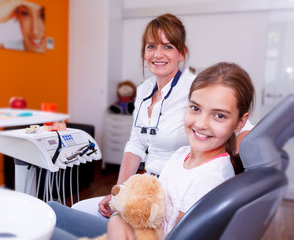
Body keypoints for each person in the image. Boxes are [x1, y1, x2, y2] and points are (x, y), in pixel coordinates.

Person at [48, 62, 255, 239]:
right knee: (51, 209)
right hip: (136, 232)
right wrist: (119, 216)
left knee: (40, 231)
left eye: (219, 115)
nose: (201, 124)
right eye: (195, 108)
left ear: (240, 123)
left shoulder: (210, 178)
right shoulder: (180, 155)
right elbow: (152, 208)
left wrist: (116, 222)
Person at [92, 13, 252, 218]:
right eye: (151, 46)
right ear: (144, 53)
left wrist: (223, 178)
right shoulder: (143, 90)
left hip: (176, 193)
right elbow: (136, 144)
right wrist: (119, 192)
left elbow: (244, 128)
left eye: (168, 46)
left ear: (182, 53)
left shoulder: (196, 87)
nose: (158, 54)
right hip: (145, 187)